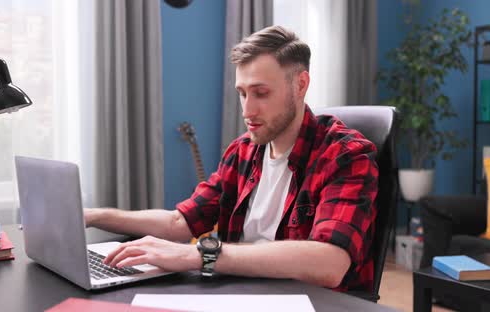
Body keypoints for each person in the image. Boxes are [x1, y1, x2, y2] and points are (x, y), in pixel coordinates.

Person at [84, 25, 378, 292]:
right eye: (242, 93)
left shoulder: (346, 155)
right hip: (238, 292)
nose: (247, 111)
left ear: (300, 85)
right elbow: (180, 222)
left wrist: (201, 255)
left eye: (261, 93)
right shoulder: (242, 151)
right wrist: (93, 216)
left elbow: (329, 263)